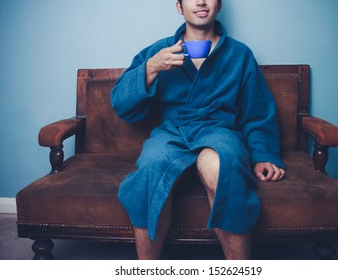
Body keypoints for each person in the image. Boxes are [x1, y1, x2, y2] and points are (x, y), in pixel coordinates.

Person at [111, 0, 285, 260]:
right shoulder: (160, 50)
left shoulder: (240, 54)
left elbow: (256, 112)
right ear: (179, 7)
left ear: (219, 5)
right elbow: (122, 105)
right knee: (151, 167)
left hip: (220, 129)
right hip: (172, 132)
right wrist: (150, 69)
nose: (201, 1)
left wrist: (264, 155)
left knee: (220, 165)